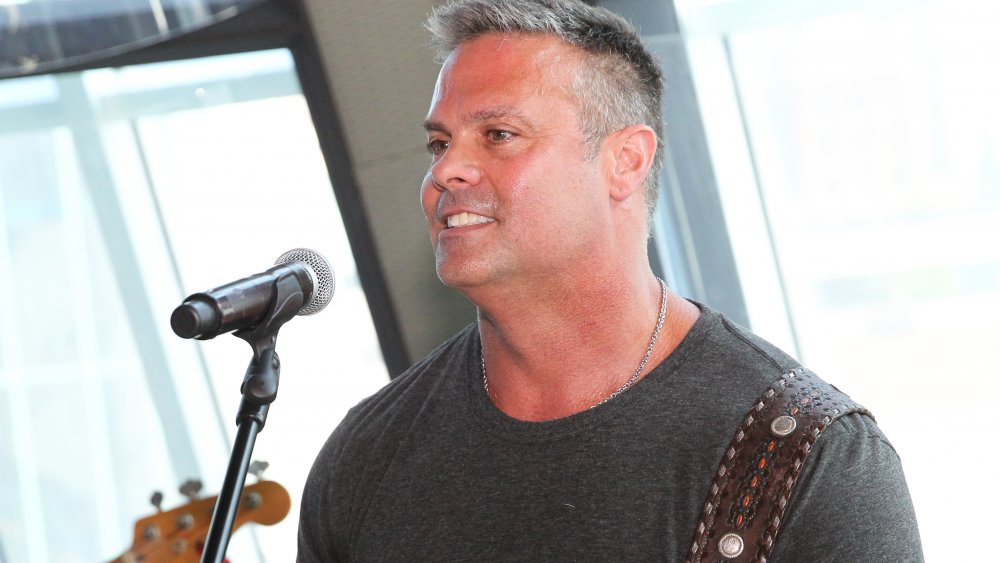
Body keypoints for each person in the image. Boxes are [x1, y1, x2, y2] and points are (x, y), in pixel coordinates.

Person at [298, 0, 923, 561]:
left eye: (499, 135)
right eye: (439, 144)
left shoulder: (806, 458)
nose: (447, 171)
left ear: (625, 162)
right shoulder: (364, 458)